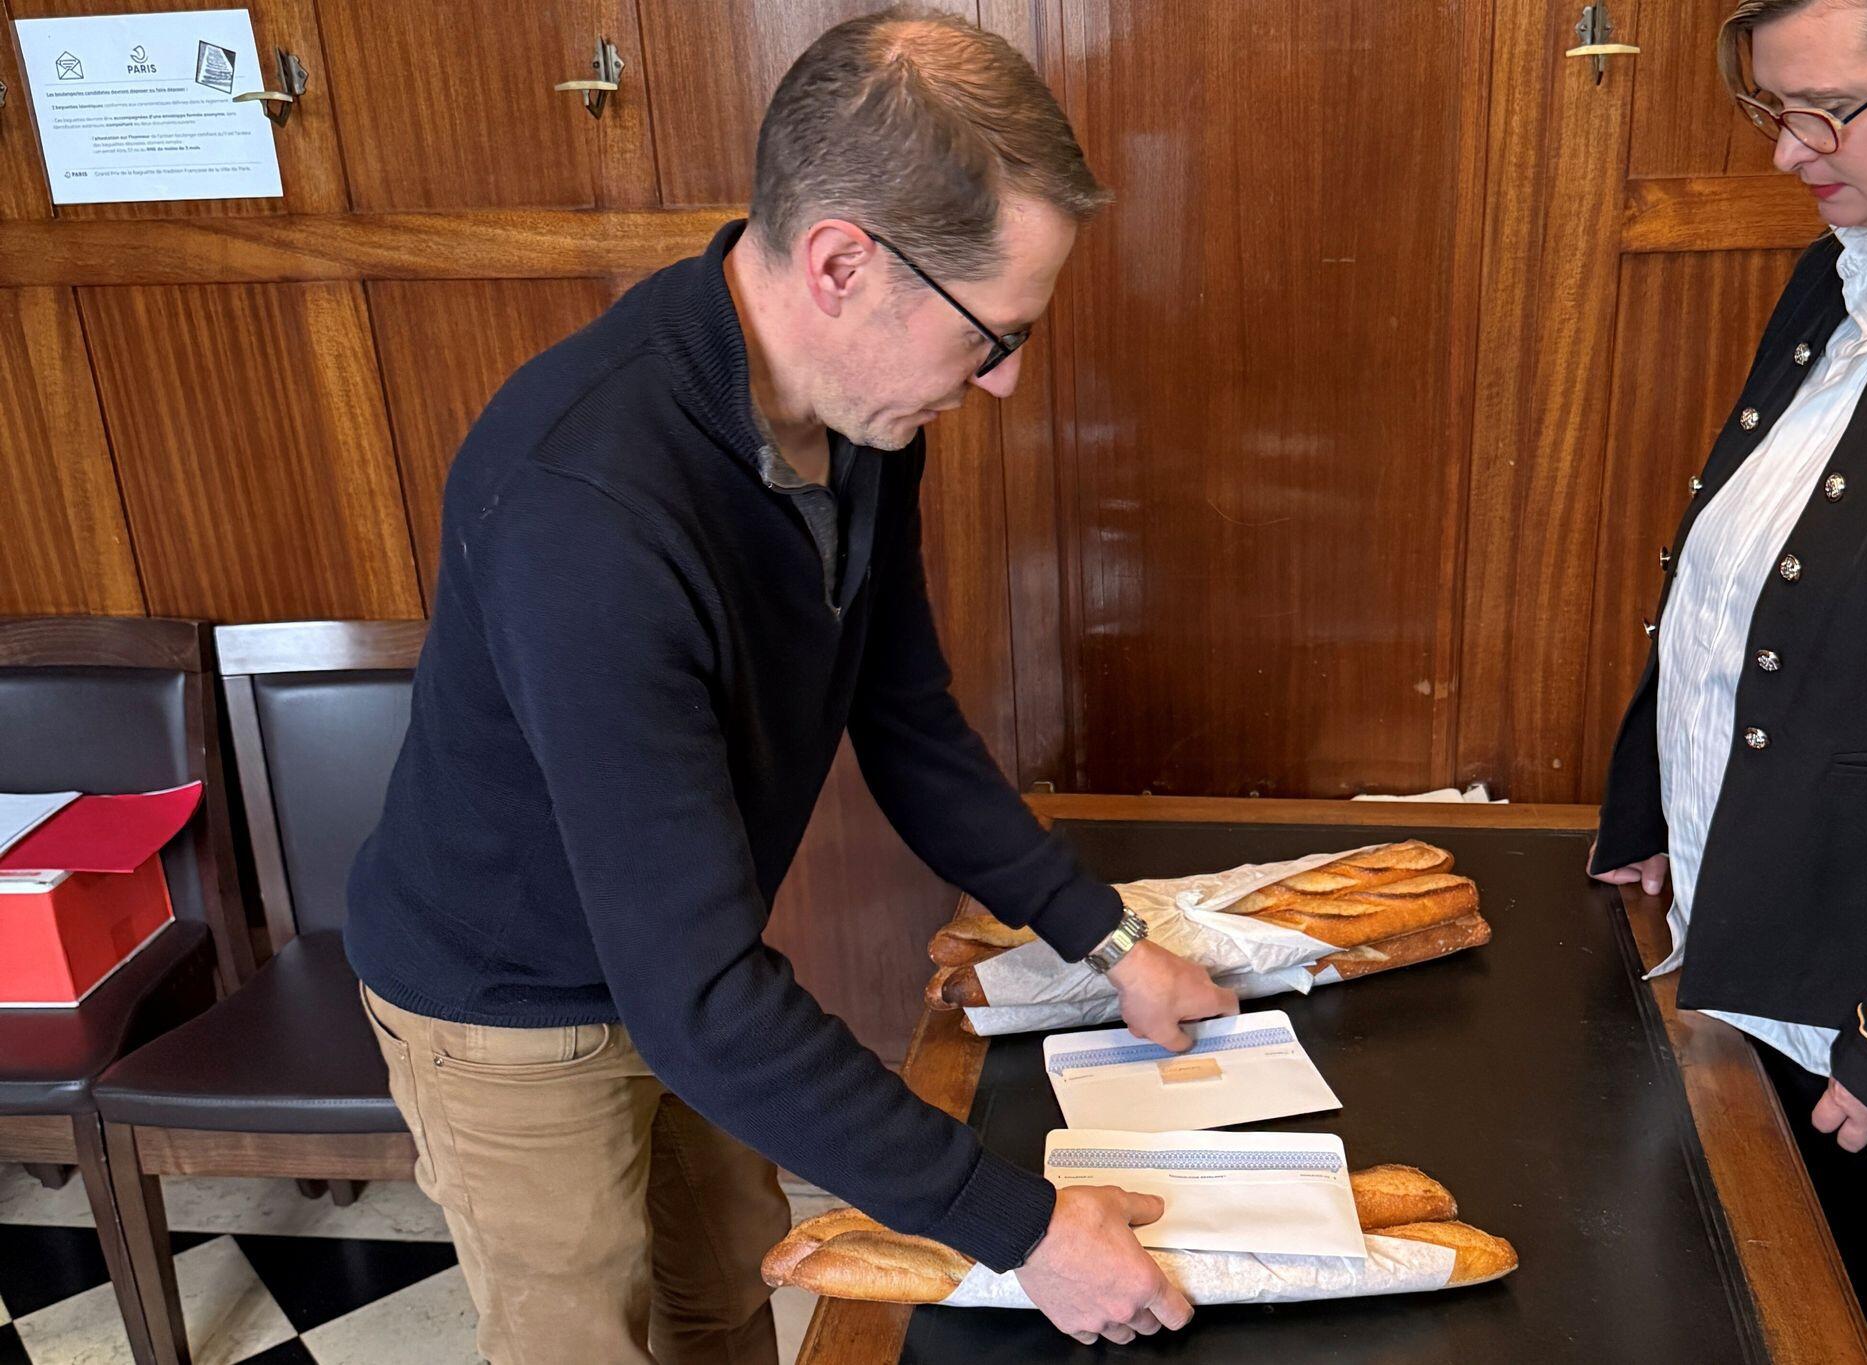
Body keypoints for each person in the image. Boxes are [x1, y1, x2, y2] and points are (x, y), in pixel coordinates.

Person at [343, 9, 1237, 1361]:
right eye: (992, 334)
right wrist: (1030, 1230)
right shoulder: (588, 507)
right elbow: (698, 1000)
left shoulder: (862, 414)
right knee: (585, 1341)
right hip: (510, 1007)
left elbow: (906, 718)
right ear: (840, 264)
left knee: (723, 1302)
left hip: (687, 966)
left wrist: (1110, 943)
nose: (1005, 381)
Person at [1589, 0, 1867, 1358]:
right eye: (1772, 109)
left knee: (1865, 1319)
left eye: (1828, 112)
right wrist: (1652, 801)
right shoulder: (1841, 271)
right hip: (1758, 934)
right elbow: (1736, 572)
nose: (1791, 152)